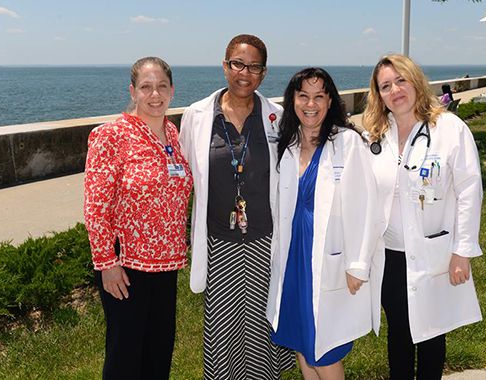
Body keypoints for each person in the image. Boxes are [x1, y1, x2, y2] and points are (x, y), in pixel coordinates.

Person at [179, 34, 295, 379]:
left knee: (262, 328)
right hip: (219, 245)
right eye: (238, 64)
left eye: (254, 66)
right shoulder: (197, 116)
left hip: (265, 241)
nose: (245, 73)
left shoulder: (279, 117)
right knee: (223, 331)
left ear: (264, 72)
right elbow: (185, 177)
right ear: (225, 66)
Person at [363, 54, 483, 380]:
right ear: (379, 94)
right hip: (389, 256)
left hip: (434, 253)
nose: (395, 90)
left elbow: (470, 190)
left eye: (401, 80)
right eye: (386, 85)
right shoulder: (374, 135)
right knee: (398, 331)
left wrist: (462, 251)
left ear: (415, 81)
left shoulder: (449, 128)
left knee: (431, 332)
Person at [266, 68, 382, 380]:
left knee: (324, 350)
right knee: (303, 346)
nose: (310, 104)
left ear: (330, 101)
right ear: (292, 100)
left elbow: (367, 206)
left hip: (329, 259)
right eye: (303, 95)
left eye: (319, 96)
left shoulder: (347, 143)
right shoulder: (286, 146)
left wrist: (358, 264)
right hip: (294, 260)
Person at [84, 57, 192, 379]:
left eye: (161, 86)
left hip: (166, 265)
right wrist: (107, 264)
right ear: (133, 91)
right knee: (125, 356)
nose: (154, 94)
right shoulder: (111, 136)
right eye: (146, 87)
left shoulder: (172, 134)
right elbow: (96, 205)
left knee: (159, 352)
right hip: (126, 268)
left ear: (172, 90)